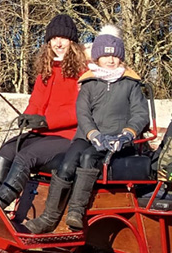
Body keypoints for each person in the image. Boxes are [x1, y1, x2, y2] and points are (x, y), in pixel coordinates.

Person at [23, 25, 148, 234]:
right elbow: (83, 112)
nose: (110, 60)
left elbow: (140, 114)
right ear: (97, 58)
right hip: (88, 136)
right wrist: (93, 134)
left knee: (89, 157)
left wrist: (127, 134)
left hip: (118, 140)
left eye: (115, 56)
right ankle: (49, 217)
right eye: (106, 56)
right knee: (66, 163)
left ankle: (75, 212)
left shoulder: (130, 84)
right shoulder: (89, 82)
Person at [0, 14, 89, 210]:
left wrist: (46, 121)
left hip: (67, 136)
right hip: (42, 133)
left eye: (63, 38)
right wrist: (27, 117)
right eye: (53, 39)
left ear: (72, 42)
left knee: (27, 156)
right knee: (9, 148)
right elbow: (36, 101)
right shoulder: (47, 69)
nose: (57, 43)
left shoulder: (83, 72)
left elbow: (80, 110)